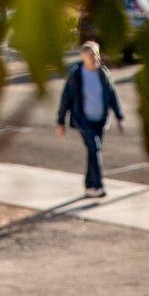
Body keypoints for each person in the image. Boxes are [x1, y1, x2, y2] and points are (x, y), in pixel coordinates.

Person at [56, 42, 125, 198]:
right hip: (83, 119)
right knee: (95, 148)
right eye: (90, 56)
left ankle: (89, 186)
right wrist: (60, 121)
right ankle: (98, 186)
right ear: (83, 58)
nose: (94, 58)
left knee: (93, 151)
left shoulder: (103, 74)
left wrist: (119, 116)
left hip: (100, 119)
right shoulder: (76, 75)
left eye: (95, 54)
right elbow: (66, 98)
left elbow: (112, 95)